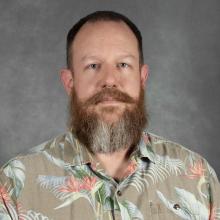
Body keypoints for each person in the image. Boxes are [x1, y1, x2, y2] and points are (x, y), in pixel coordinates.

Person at [0, 10, 219, 220]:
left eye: (123, 64)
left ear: (142, 79)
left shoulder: (198, 176)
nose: (110, 80)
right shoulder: (14, 184)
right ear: (70, 82)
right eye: (93, 65)